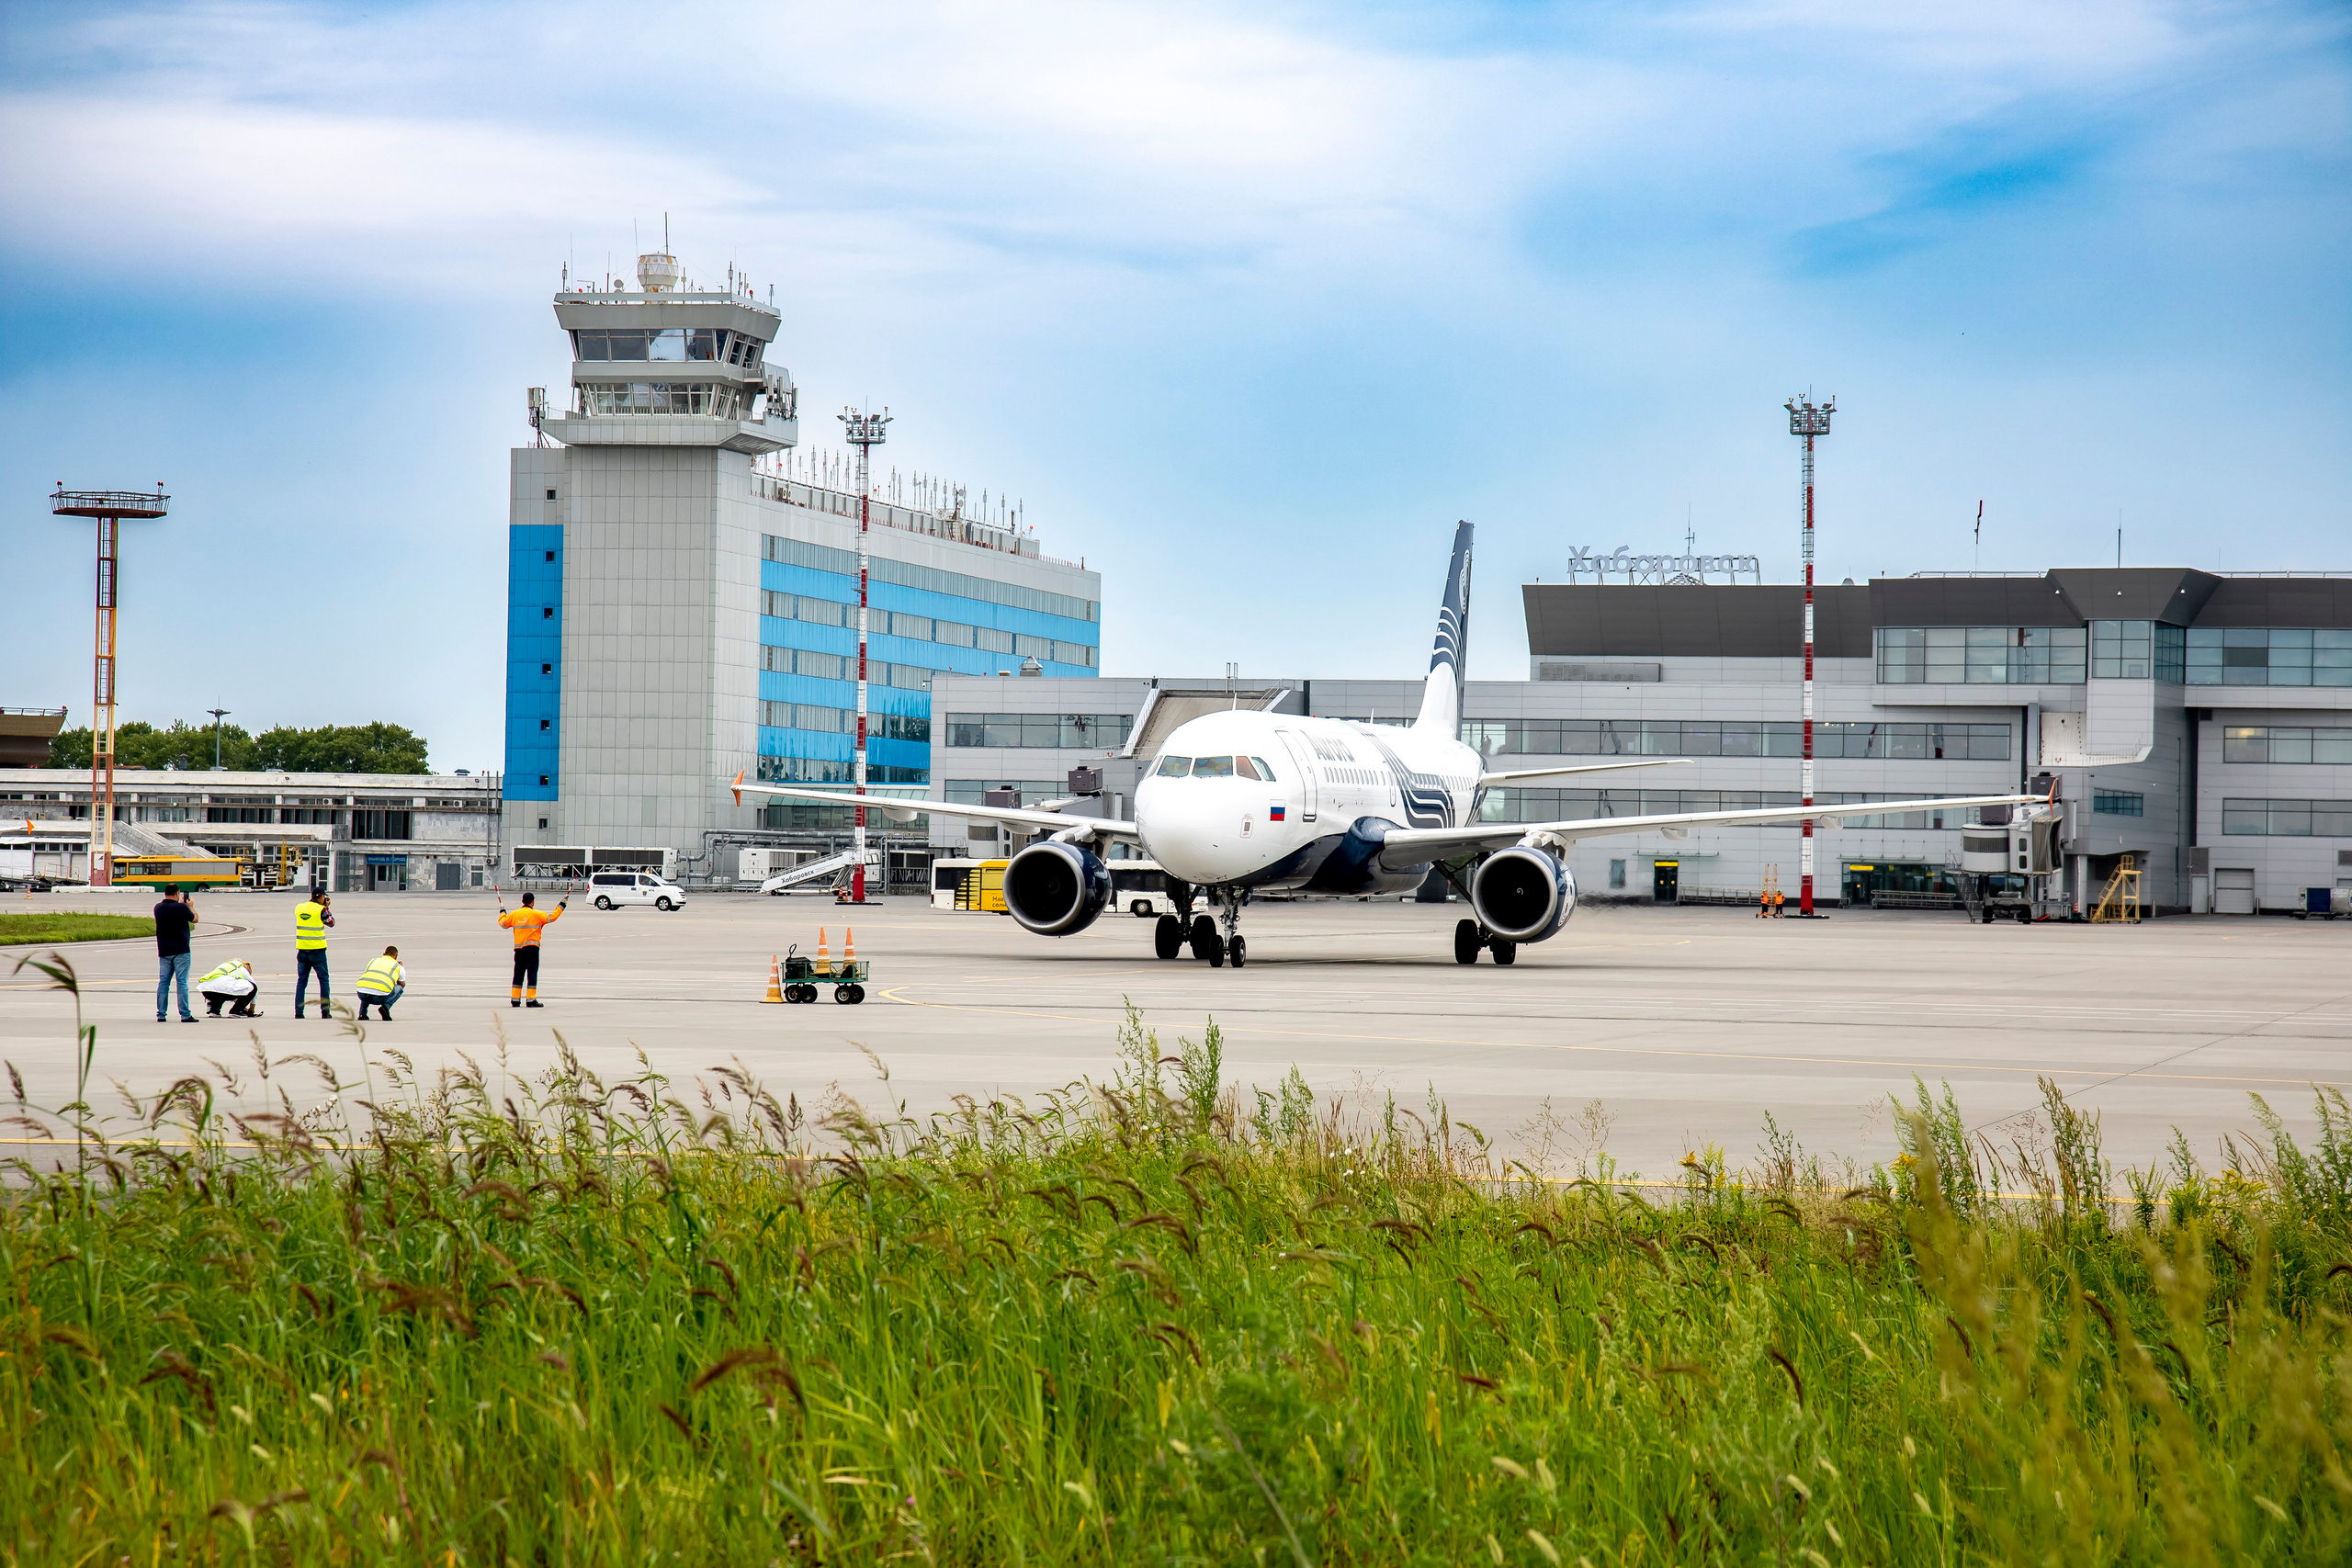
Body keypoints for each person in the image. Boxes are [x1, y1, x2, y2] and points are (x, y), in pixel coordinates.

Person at [497, 889, 564, 1007]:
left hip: (518, 950)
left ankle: (515, 999)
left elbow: (503, 924)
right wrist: (561, 906)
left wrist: (503, 913)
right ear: (533, 902)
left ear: (522, 901)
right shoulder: (537, 914)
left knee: (518, 974)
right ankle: (530, 999)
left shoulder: (514, 914)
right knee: (532, 974)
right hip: (532, 949)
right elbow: (551, 917)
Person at [153, 886, 198, 1023]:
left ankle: (161, 1014)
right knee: (182, 982)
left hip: (165, 950)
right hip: (181, 950)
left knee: (164, 982)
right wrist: (190, 906)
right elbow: (194, 919)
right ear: (178, 894)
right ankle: (185, 1014)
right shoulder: (182, 908)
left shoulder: (158, 908)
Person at [293, 889, 335, 1019]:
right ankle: (325, 1011)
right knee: (323, 981)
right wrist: (326, 907)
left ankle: (299, 1012)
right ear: (322, 897)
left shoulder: (299, 907)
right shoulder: (322, 910)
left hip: (302, 951)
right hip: (318, 951)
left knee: (301, 982)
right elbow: (331, 923)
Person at [195, 957, 262, 1018]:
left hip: (206, 991)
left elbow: (216, 986)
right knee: (252, 987)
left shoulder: (225, 966)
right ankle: (235, 1011)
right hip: (220, 990)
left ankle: (214, 1012)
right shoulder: (241, 967)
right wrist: (251, 1009)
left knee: (220, 990)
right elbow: (253, 988)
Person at [354, 945, 405, 1021]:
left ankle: (362, 1014)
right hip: (379, 998)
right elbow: (402, 984)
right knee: (400, 989)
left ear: (383, 954)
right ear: (396, 956)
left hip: (362, 994)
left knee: (368, 985)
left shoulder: (373, 961)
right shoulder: (398, 967)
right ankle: (385, 1007)